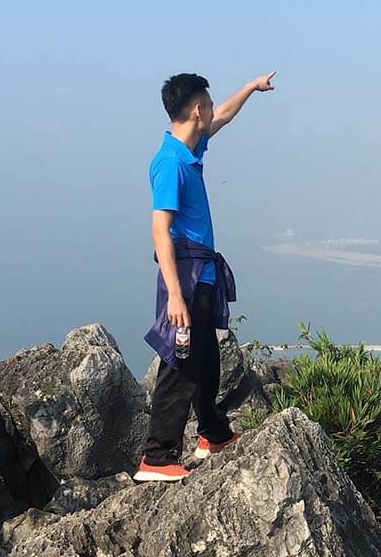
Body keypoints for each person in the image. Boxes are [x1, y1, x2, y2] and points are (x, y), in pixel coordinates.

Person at [134, 70, 275, 482]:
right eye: (208, 104)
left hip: (202, 270)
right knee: (180, 362)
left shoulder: (190, 148)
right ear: (197, 109)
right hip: (186, 273)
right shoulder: (170, 163)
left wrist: (250, 87)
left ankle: (212, 433)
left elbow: (225, 115)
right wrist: (175, 295)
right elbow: (160, 228)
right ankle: (157, 457)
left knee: (206, 358)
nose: (214, 110)